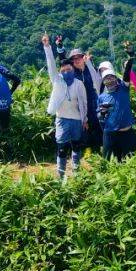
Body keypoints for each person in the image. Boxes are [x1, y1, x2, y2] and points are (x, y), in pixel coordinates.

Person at [41, 34, 87, 179]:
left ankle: (76, 170)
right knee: (61, 148)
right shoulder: (57, 81)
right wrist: (47, 47)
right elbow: (51, 66)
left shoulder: (79, 84)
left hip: (76, 120)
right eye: (63, 70)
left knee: (76, 146)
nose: (66, 72)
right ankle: (61, 175)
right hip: (62, 120)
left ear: (73, 70)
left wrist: (84, 119)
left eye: (68, 69)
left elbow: (84, 103)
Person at [59, 42, 102, 152]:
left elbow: (100, 82)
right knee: (84, 126)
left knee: (96, 123)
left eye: (79, 57)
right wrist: (60, 47)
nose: (77, 60)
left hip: (93, 101)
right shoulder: (73, 73)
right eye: (74, 59)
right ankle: (88, 149)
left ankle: (100, 147)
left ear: (84, 58)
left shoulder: (91, 69)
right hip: (79, 103)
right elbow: (63, 62)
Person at [96, 62, 136, 161]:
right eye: (106, 78)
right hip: (110, 134)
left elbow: (126, 76)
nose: (109, 79)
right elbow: (99, 116)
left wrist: (129, 62)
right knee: (109, 160)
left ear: (116, 78)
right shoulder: (101, 97)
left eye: (111, 77)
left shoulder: (123, 88)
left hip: (127, 132)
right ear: (103, 80)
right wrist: (102, 114)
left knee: (133, 159)